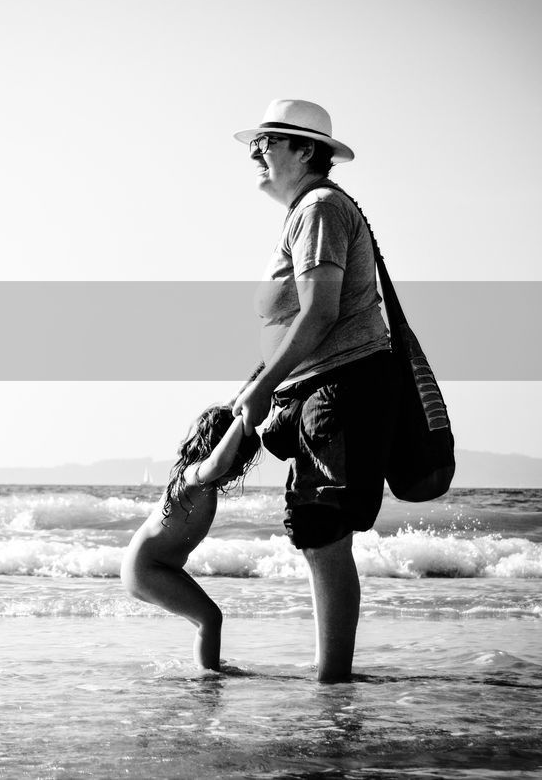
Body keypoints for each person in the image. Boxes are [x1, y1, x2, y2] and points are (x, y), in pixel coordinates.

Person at [230, 99, 396, 683]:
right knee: (320, 534)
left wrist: (264, 386)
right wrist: (263, 383)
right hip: (325, 389)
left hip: (338, 388)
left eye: (267, 140)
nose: (255, 150)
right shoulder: (309, 210)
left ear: (305, 150)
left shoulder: (320, 207)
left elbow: (321, 312)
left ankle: (333, 683)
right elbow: (302, 319)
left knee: (323, 532)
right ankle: (332, 677)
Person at [121, 405, 260, 672]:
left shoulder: (198, 475)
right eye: (238, 460)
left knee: (208, 618)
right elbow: (218, 463)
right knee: (209, 618)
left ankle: (208, 665)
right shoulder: (193, 474)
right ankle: (208, 677)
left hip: (161, 566)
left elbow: (228, 416)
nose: (239, 469)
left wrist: (245, 403)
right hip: (146, 568)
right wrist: (242, 418)